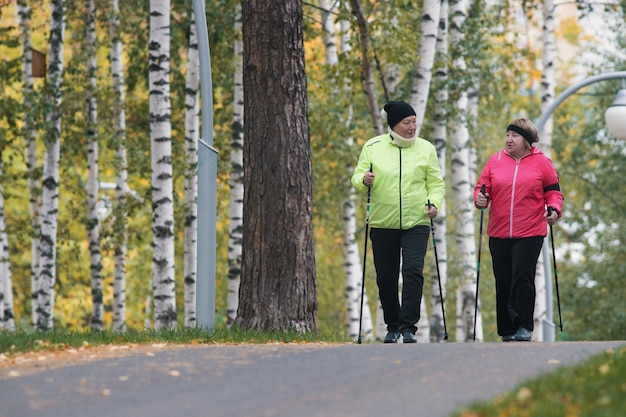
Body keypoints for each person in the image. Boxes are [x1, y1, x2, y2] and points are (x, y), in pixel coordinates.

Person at [351, 101, 445, 343]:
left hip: (418, 221)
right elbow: (357, 178)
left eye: (414, 122)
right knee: (386, 276)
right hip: (383, 223)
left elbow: (436, 182)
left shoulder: (426, 148)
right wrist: (365, 180)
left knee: (413, 272)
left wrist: (434, 203)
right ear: (394, 125)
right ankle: (392, 326)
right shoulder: (373, 147)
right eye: (407, 123)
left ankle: (408, 327)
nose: (413, 127)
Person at [474, 118, 563, 342]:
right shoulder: (495, 161)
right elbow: (481, 189)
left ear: (527, 140)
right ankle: (507, 329)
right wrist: (480, 198)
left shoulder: (542, 162)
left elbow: (554, 193)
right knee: (503, 278)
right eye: (507, 135)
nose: (508, 139)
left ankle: (524, 325)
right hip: (499, 232)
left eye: (514, 136)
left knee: (523, 277)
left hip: (530, 231)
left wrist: (554, 210)